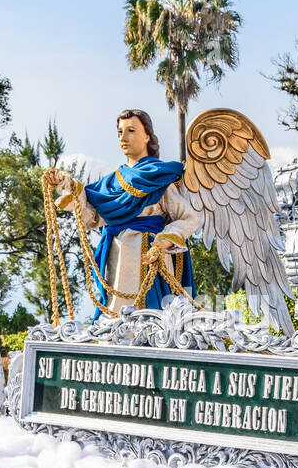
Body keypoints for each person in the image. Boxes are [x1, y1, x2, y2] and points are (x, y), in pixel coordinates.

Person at [49, 111, 197, 317]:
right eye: (120, 132)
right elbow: (92, 218)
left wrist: (163, 242)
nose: (123, 137)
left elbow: (188, 217)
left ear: (147, 136)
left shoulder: (160, 176)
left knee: (152, 318)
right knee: (115, 317)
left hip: (149, 256)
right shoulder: (110, 183)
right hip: (117, 257)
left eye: (131, 130)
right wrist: (68, 185)